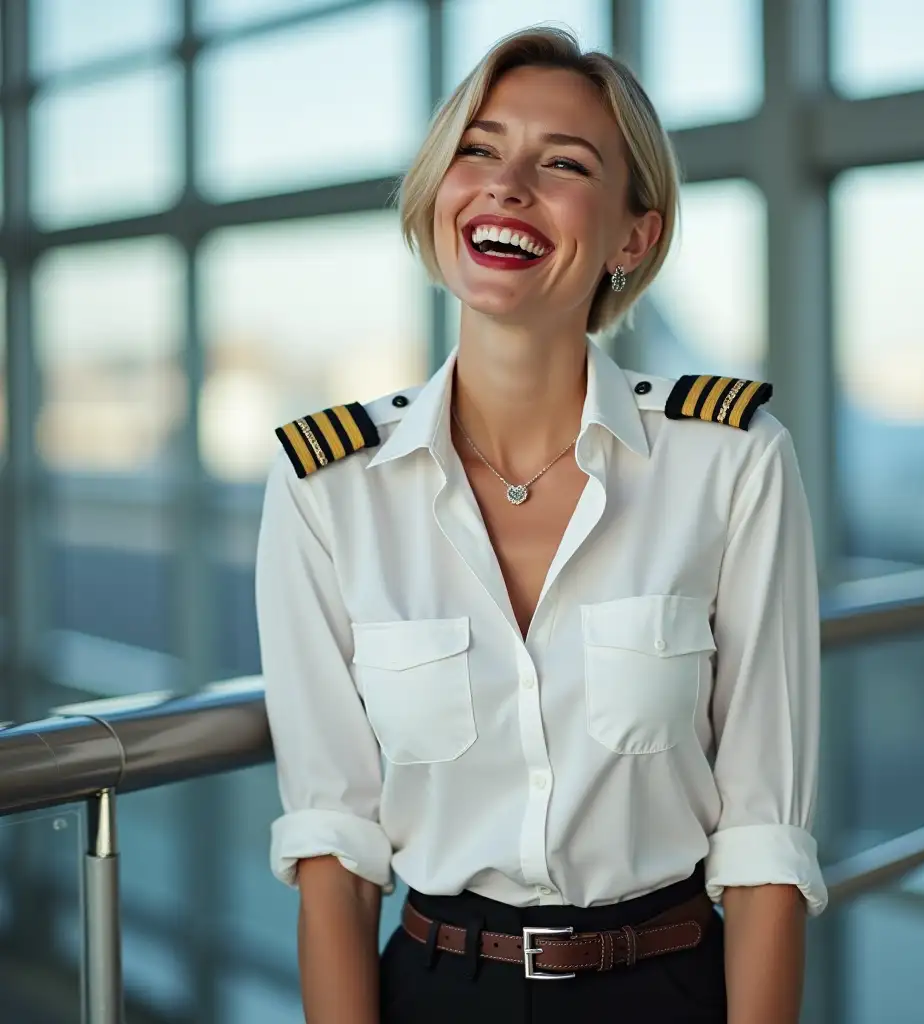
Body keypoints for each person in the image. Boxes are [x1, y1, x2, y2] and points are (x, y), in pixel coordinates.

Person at [255, 26, 827, 1024]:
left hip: (668, 985)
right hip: (434, 989)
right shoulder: (328, 485)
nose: (506, 184)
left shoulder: (731, 460)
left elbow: (766, 841)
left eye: (562, 164)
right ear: (439, 190)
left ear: (632, 237)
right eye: (480, 148)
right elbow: (332, 849)